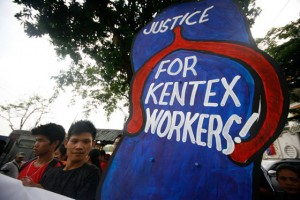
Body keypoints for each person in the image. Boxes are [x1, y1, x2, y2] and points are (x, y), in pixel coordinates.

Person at [40, 120, 101, 200]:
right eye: (74, 141)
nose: (79, 146)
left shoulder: (92, 174)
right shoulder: (50, 172)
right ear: (66, 143)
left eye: (86, 142)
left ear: (92, 144)